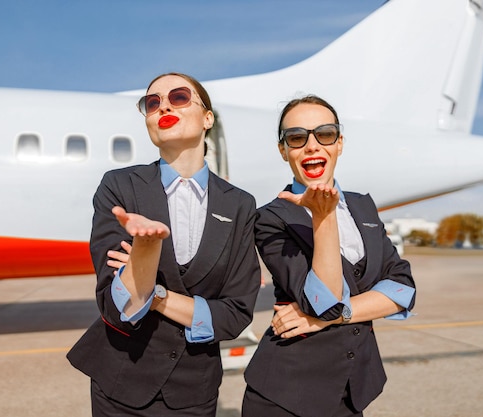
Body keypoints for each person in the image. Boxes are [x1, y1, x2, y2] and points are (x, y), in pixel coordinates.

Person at [67, 72, 261, 417]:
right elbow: (115, 307)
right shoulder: (119, 188)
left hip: (193, 391)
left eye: (180, 97)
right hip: (119, 384)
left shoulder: (240, 205)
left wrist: (155, 295)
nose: (163, 106)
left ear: (207, 118)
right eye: (152, 103)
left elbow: (234, 314)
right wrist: (146, 249)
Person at [242, 95, 416, 417]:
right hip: (287, 393)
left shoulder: (363, 205)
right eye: (297, 137)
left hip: (352, 392)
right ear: (284, 151)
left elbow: (403, 289)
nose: (312, 145)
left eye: (324, 134)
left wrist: (336, 317)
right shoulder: (270, 218)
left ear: (339, 143)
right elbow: (323, 302)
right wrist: (323, 217)